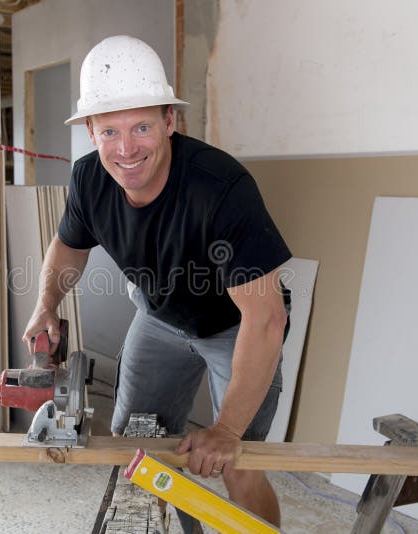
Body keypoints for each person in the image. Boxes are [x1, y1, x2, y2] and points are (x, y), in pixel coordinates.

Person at [23, 35, 291, 528]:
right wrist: (47, 303)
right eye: (108, 132)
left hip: (234, 329)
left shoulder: (221, 188)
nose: (125, 150)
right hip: (159, 318)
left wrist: (227, 428)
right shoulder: (88, 180)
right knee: (138, 448)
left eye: (142, 126)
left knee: (238, 466)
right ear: (90, 129)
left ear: (170, 120)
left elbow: (266, 316)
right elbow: (68, 246)